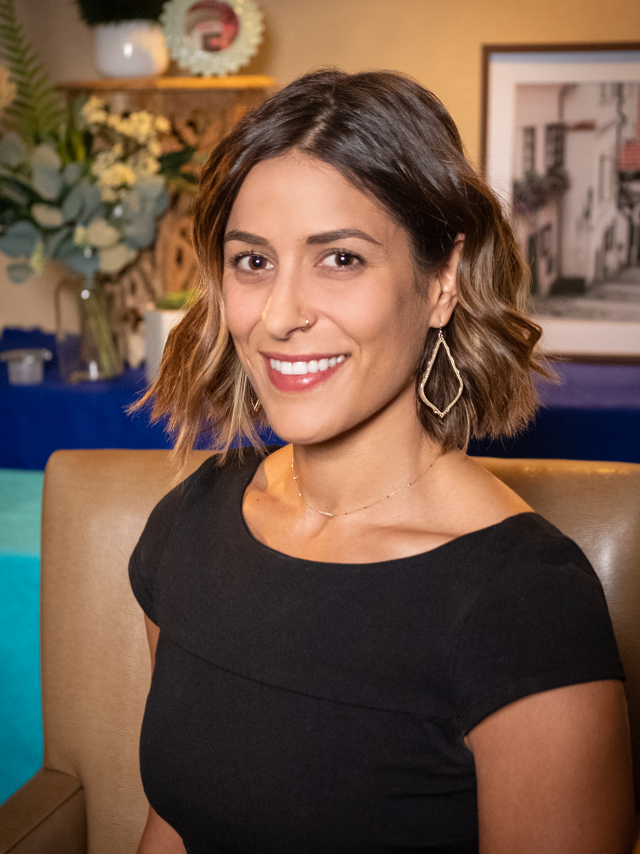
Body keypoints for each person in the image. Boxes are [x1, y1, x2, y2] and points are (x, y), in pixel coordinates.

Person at [129, 69, 634, 854]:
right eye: (253, 262)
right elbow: (175, 823)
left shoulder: (524, 607)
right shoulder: (191, 521)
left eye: (340, 259)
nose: (281, 316)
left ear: (442, 282)